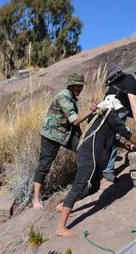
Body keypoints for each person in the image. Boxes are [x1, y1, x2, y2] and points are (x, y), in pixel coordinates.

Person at [55, 95, 136, 237]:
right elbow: (126, 133)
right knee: (79, 186)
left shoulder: (99, 116)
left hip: (86, 153)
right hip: (89, 156)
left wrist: (127, 146)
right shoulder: (110, 115)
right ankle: (61, 227)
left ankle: (64, 205)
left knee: (94, 187)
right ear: (113, 107)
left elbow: (110, 140)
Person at [32, 73, 97, 210]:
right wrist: (90, 111)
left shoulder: (72, 97)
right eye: (78, 86)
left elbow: (73, 122)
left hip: (66, 133)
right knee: (44, 165)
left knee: (83, 151)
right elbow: (75, 120)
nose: (80, 89)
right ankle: (36, 199)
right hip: (51, 134)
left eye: (81, 86)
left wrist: (80, 136)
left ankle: (86, 182)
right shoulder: (63, 97)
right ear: (71, 85)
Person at [103, 69, 136, 182]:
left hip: (126, 102)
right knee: (115, 134)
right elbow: (134, 106)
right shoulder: (130, 80)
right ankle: (108, 169)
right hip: (114, 103)